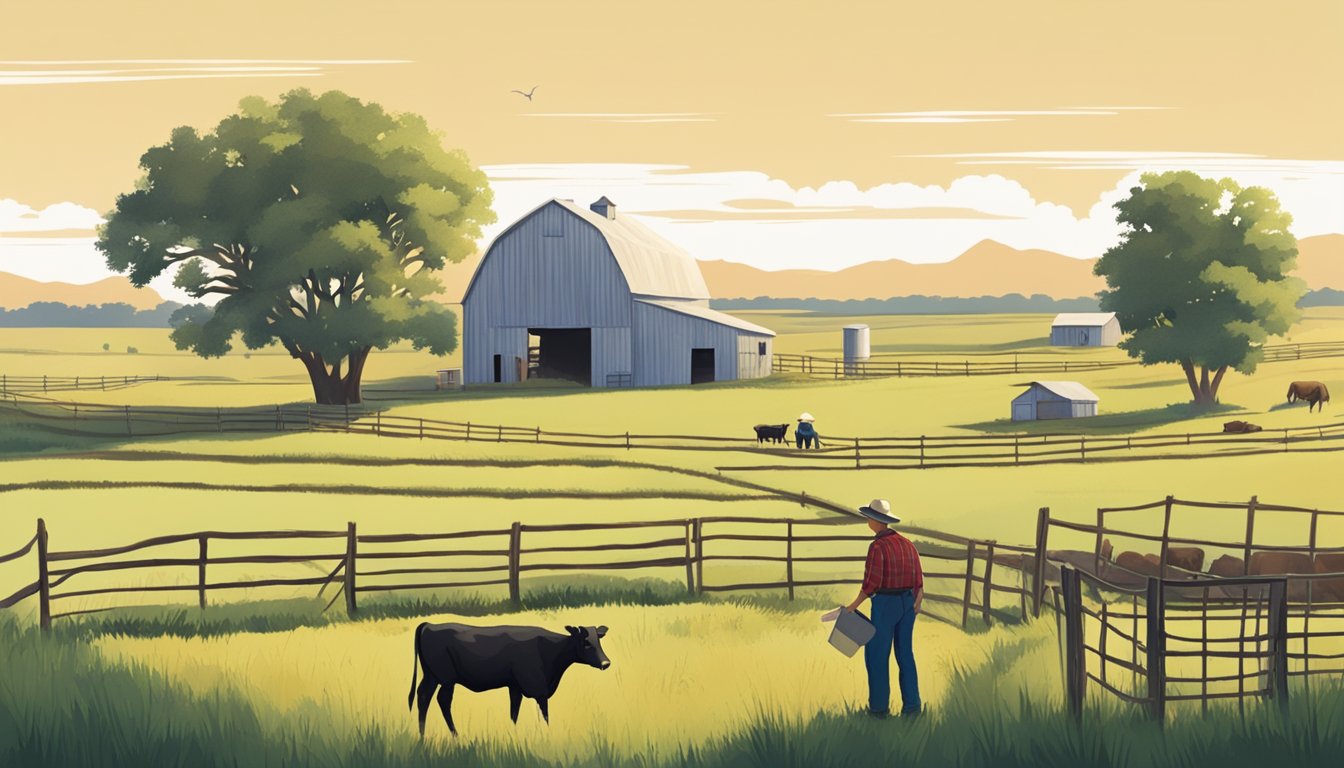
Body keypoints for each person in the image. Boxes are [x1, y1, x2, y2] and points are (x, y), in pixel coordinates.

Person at [841, 498, 923, 718]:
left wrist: (853, 606)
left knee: (877, 655)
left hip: (885, 603)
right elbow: (918, 579)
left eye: (869, 517)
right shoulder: (907, 544)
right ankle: (913, 707)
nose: (868, 520)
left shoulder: (877, 546)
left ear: (875, 520)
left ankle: (878, 709)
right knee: (905, 654)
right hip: (907, 601)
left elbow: (871, 583)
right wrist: (917, 601)